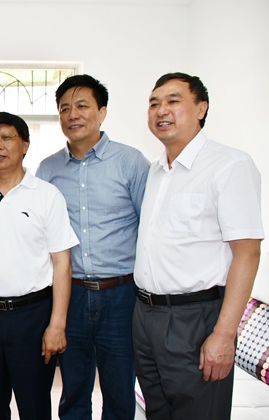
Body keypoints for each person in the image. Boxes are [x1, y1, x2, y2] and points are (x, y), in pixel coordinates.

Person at [133, 72, 264, 419]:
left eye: (173, 101)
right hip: (146, 316)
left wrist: (224, 334)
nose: (161, 110)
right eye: (154, 103)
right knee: (157, 411)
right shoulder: (155, 171)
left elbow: (248, 254)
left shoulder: (229, 165)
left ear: (201, 108)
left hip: (195, 318)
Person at [36, 74, 150, 419]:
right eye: (64, 108)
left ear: (102, 112)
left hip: (121, 294)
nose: (72, 114)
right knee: (73, 387)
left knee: (119, 389)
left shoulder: (131, 162)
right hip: (69, 294)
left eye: (82, 106)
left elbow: (150, 227)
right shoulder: (48, 169)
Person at [0, 112, 79, 420]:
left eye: (7, 138)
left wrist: (57, 325)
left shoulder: (47, 195)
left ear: (25, 145)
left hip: (33, 317)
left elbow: (62, 263)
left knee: (34, 407)